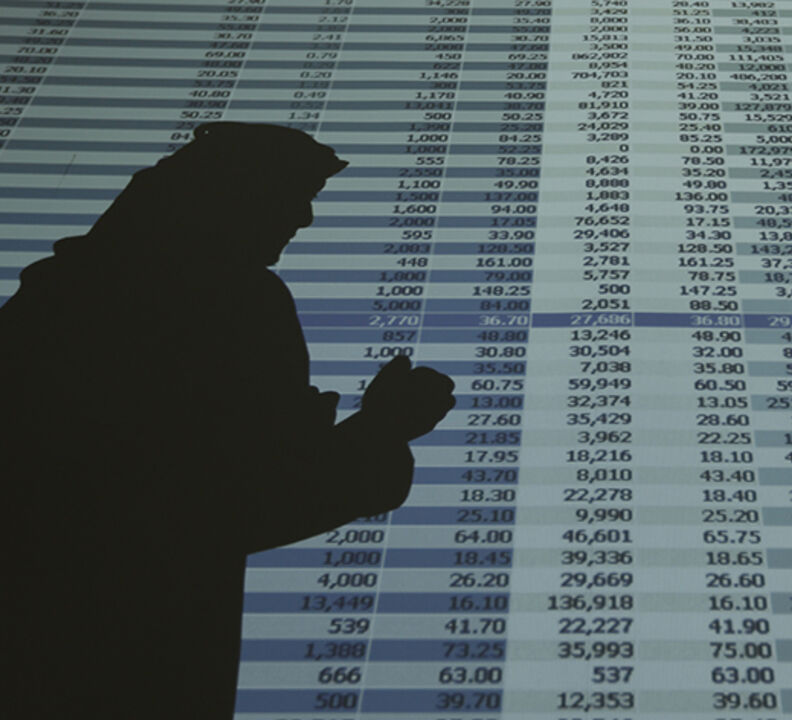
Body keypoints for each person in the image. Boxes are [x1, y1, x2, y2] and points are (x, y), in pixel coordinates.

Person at [1, 122, 457, 718]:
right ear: (232, 199)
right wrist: (384, 430)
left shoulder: (54, 300)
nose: (304, 220)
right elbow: (237, 499)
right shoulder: (239, 309)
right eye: (295, 198)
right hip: (136, 662)